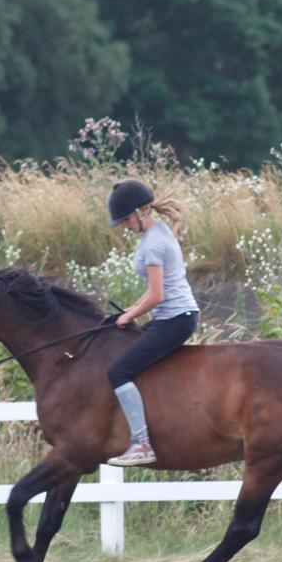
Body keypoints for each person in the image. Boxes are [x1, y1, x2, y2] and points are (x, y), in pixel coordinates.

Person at [104, 178, 200, 466]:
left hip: (174, 319)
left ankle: (142, 444)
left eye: (126, 219)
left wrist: (130, 315)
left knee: (118, 372)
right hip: (173, 316)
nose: (124, 225)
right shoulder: (158, 233)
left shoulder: (154, 243)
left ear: (142, 210)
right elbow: (159, 288)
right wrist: (131, 309)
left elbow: (158, 295)